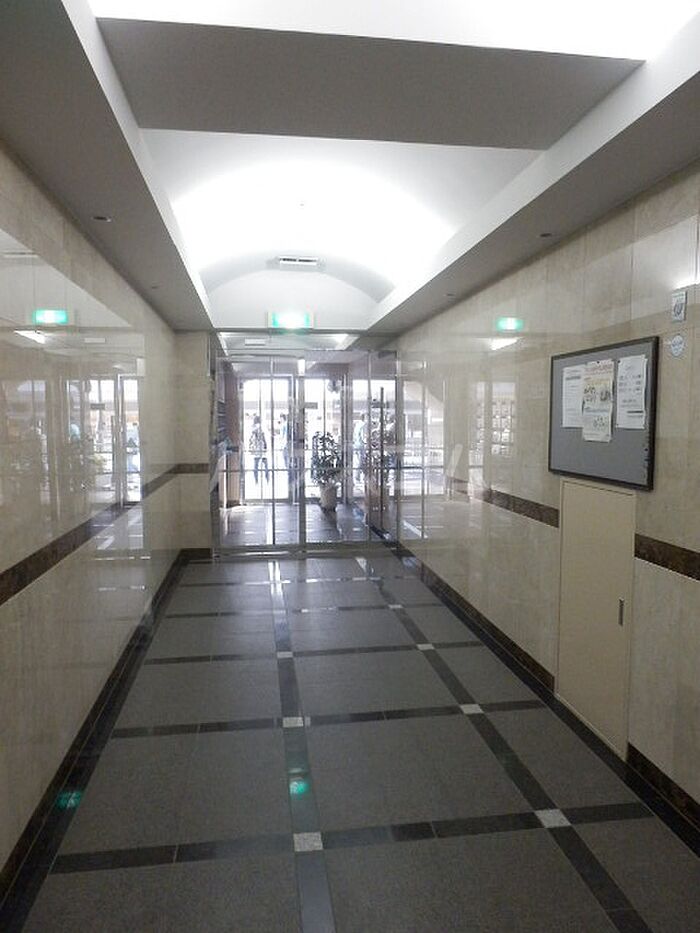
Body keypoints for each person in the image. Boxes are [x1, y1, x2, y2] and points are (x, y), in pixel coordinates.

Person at [248, 414, 270, 484]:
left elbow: (251, 439)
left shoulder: (253, 428)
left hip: (256, 450)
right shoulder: (262, 427)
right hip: (262, 449)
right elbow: (264, 439)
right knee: (266, 465)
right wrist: (265, 447)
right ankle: (267, 480)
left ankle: (256, 481)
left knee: (256, 466)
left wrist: (251, 448)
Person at [353, 413, 367, 482]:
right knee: (361, 461)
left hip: (356, 444)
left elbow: (354, 435)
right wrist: (366, 443)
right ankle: (359, 476)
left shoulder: (357, 424)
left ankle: (357, 476)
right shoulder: (363, 425)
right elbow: (362, 436)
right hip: (361, 444)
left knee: (358, 460)